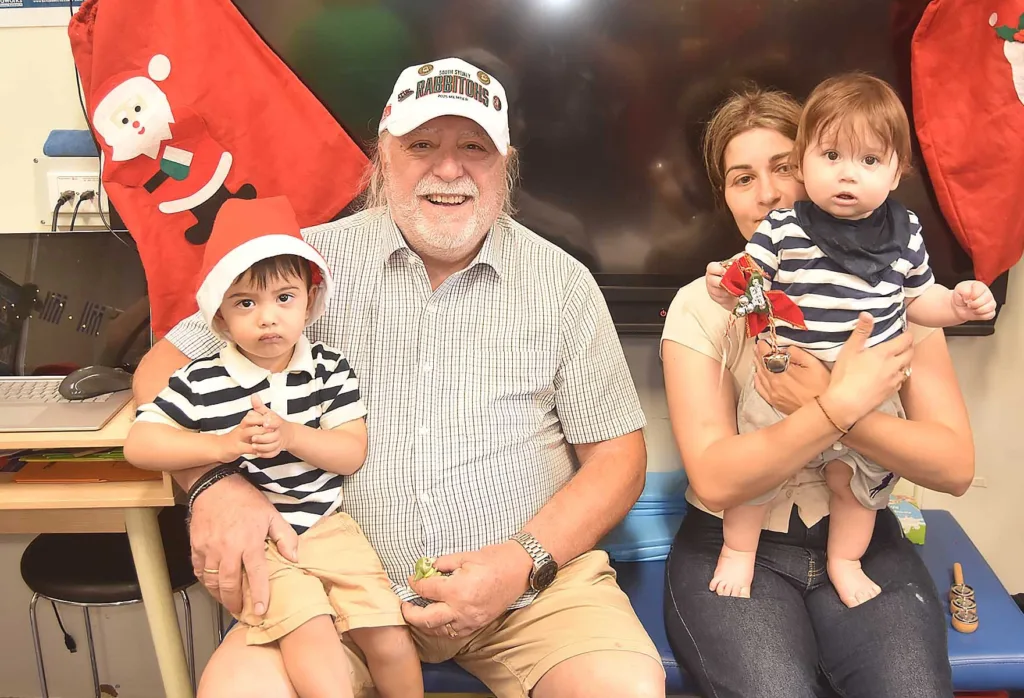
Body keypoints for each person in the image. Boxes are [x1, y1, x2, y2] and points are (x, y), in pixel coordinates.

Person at [132, 57, 665, 698]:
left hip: (531, 594)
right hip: (326, 580)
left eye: (474, 146)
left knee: (625, 687)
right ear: (382, 156)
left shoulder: (563, 283)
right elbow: (158, 374)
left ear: (507, 164)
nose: (448, 169)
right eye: (421, 146)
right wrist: (215, 485)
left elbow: (619, 459)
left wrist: (520, 562)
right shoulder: (301, 262)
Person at [662, 86, 973, 698]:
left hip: (861, 536)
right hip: (733, 539)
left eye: (782, 168)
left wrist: (828, 404)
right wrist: (834, 406)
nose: (768, 194)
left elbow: (955, 467)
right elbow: (719, 479)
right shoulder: (701, 306)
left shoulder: (892, 295)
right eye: (741, 178)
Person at [701, 73, 995, 607]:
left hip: (873, 387)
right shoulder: (786, 227)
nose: (846, 175)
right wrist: (729, 284)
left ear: (897, 171)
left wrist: (955, 305)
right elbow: (751, 274)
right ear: (811, 157)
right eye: (830, 156)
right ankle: (738, 551)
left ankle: (845, 559)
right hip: (789, 373)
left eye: (868, 161)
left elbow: (918, 299)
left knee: (858, 488)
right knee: (758, 474)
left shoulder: (904, 232)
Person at [124, 196, 423, 698]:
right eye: (246, 303)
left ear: (309, 301)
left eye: (284, 298)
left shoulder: (329, 369)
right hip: (263, 543)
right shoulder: (201, 380)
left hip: (329, 527)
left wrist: (290, 435)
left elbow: (350, 452)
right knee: (312, 633)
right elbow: (140, 443)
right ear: (219, 316)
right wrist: (221, 447)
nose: (268, 319)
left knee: (389, 635)